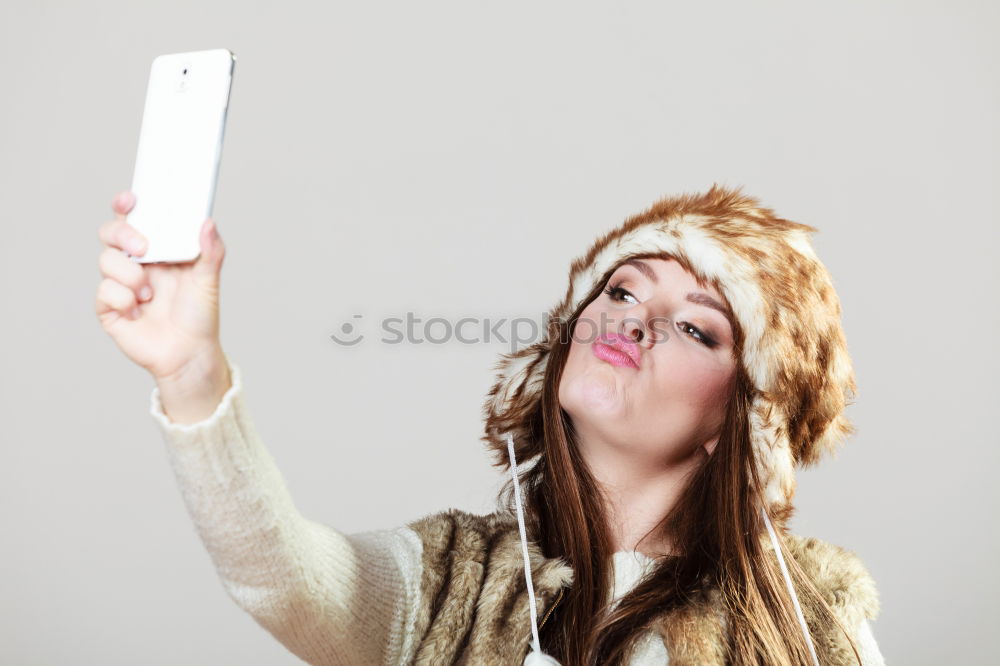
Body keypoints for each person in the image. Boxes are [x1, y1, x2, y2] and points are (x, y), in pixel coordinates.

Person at [95, 184, 886, 665]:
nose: (635, 321)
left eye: (697, 328)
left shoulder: (812, 620)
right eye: (620, 290)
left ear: (743, 424)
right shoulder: (453, 581)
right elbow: (282, 573)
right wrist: (192, 373)